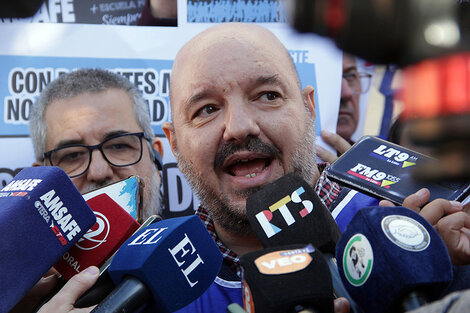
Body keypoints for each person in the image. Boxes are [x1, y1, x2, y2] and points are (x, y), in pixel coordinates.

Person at [162, 22, 470, 312]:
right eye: (207, 109)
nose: (239, 127)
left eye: (268, 96)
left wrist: (445, 278)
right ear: (174, 142)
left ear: (309, 108)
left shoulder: (415, 225)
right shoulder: (156, 286)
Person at [13, 68, 165, 313]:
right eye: (72, 155)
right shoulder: (15, 298)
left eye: (118, 145)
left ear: (156, 157)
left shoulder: (210, 272)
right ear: (40, 178)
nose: (98, 171)